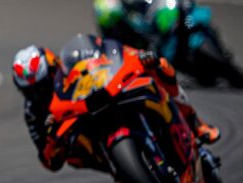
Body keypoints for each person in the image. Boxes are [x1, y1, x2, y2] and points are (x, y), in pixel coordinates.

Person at [12, 34, 220, 172]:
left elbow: (111, 53)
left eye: (43, 85)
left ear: (55, 68)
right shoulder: (33, 111)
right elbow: (48, 162)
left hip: (103, 99)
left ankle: (195, 123)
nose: (39, 94)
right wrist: (52, 139)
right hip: (87, 140)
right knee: (76, 158)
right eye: (31, 91)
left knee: (160, 67)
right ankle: (124, 171)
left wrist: (138, 57)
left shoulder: (72, 68)